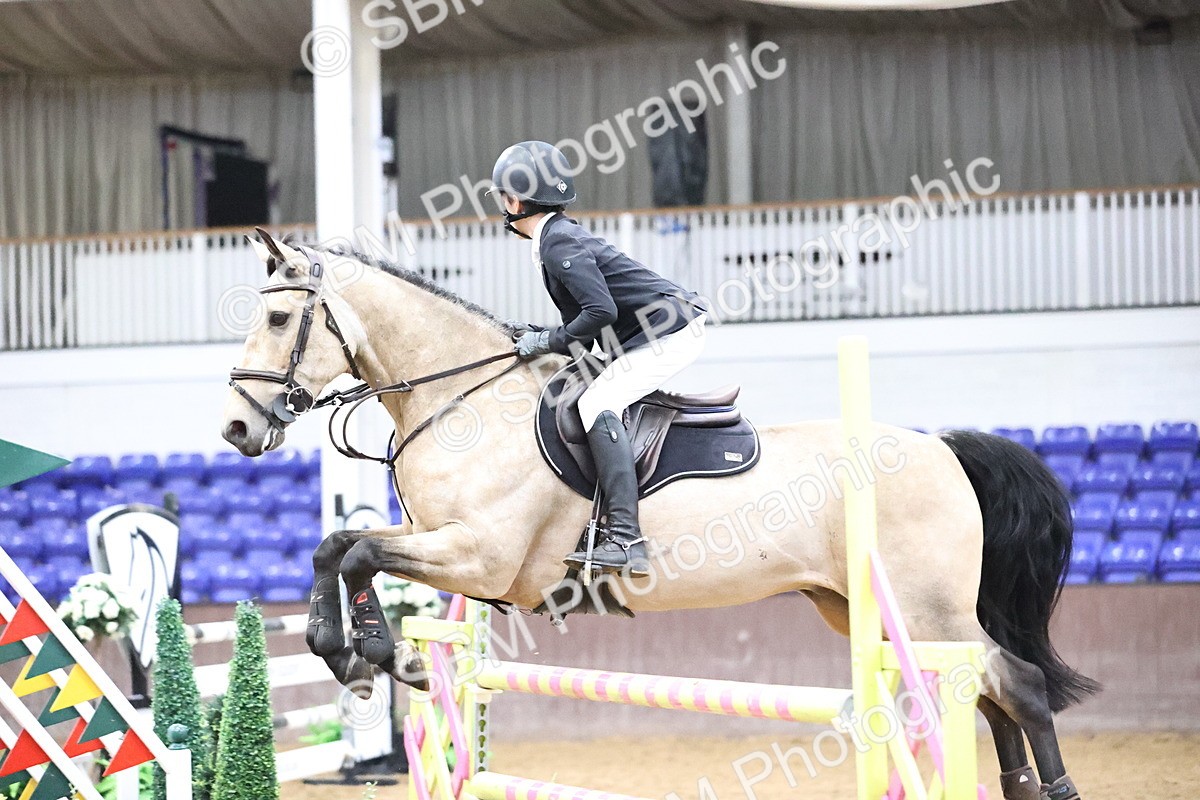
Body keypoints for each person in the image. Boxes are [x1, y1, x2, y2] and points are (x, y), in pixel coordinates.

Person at [491, 140, 708, 577]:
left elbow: (601, 313)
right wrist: (539, 338)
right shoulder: (554, 239)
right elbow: (582, 330)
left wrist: (544, 341)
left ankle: (626, 538)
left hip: (669, 332)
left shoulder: (557, 243)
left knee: (596, 403)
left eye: (503, 196)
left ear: (515, 200)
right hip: (643, 334)